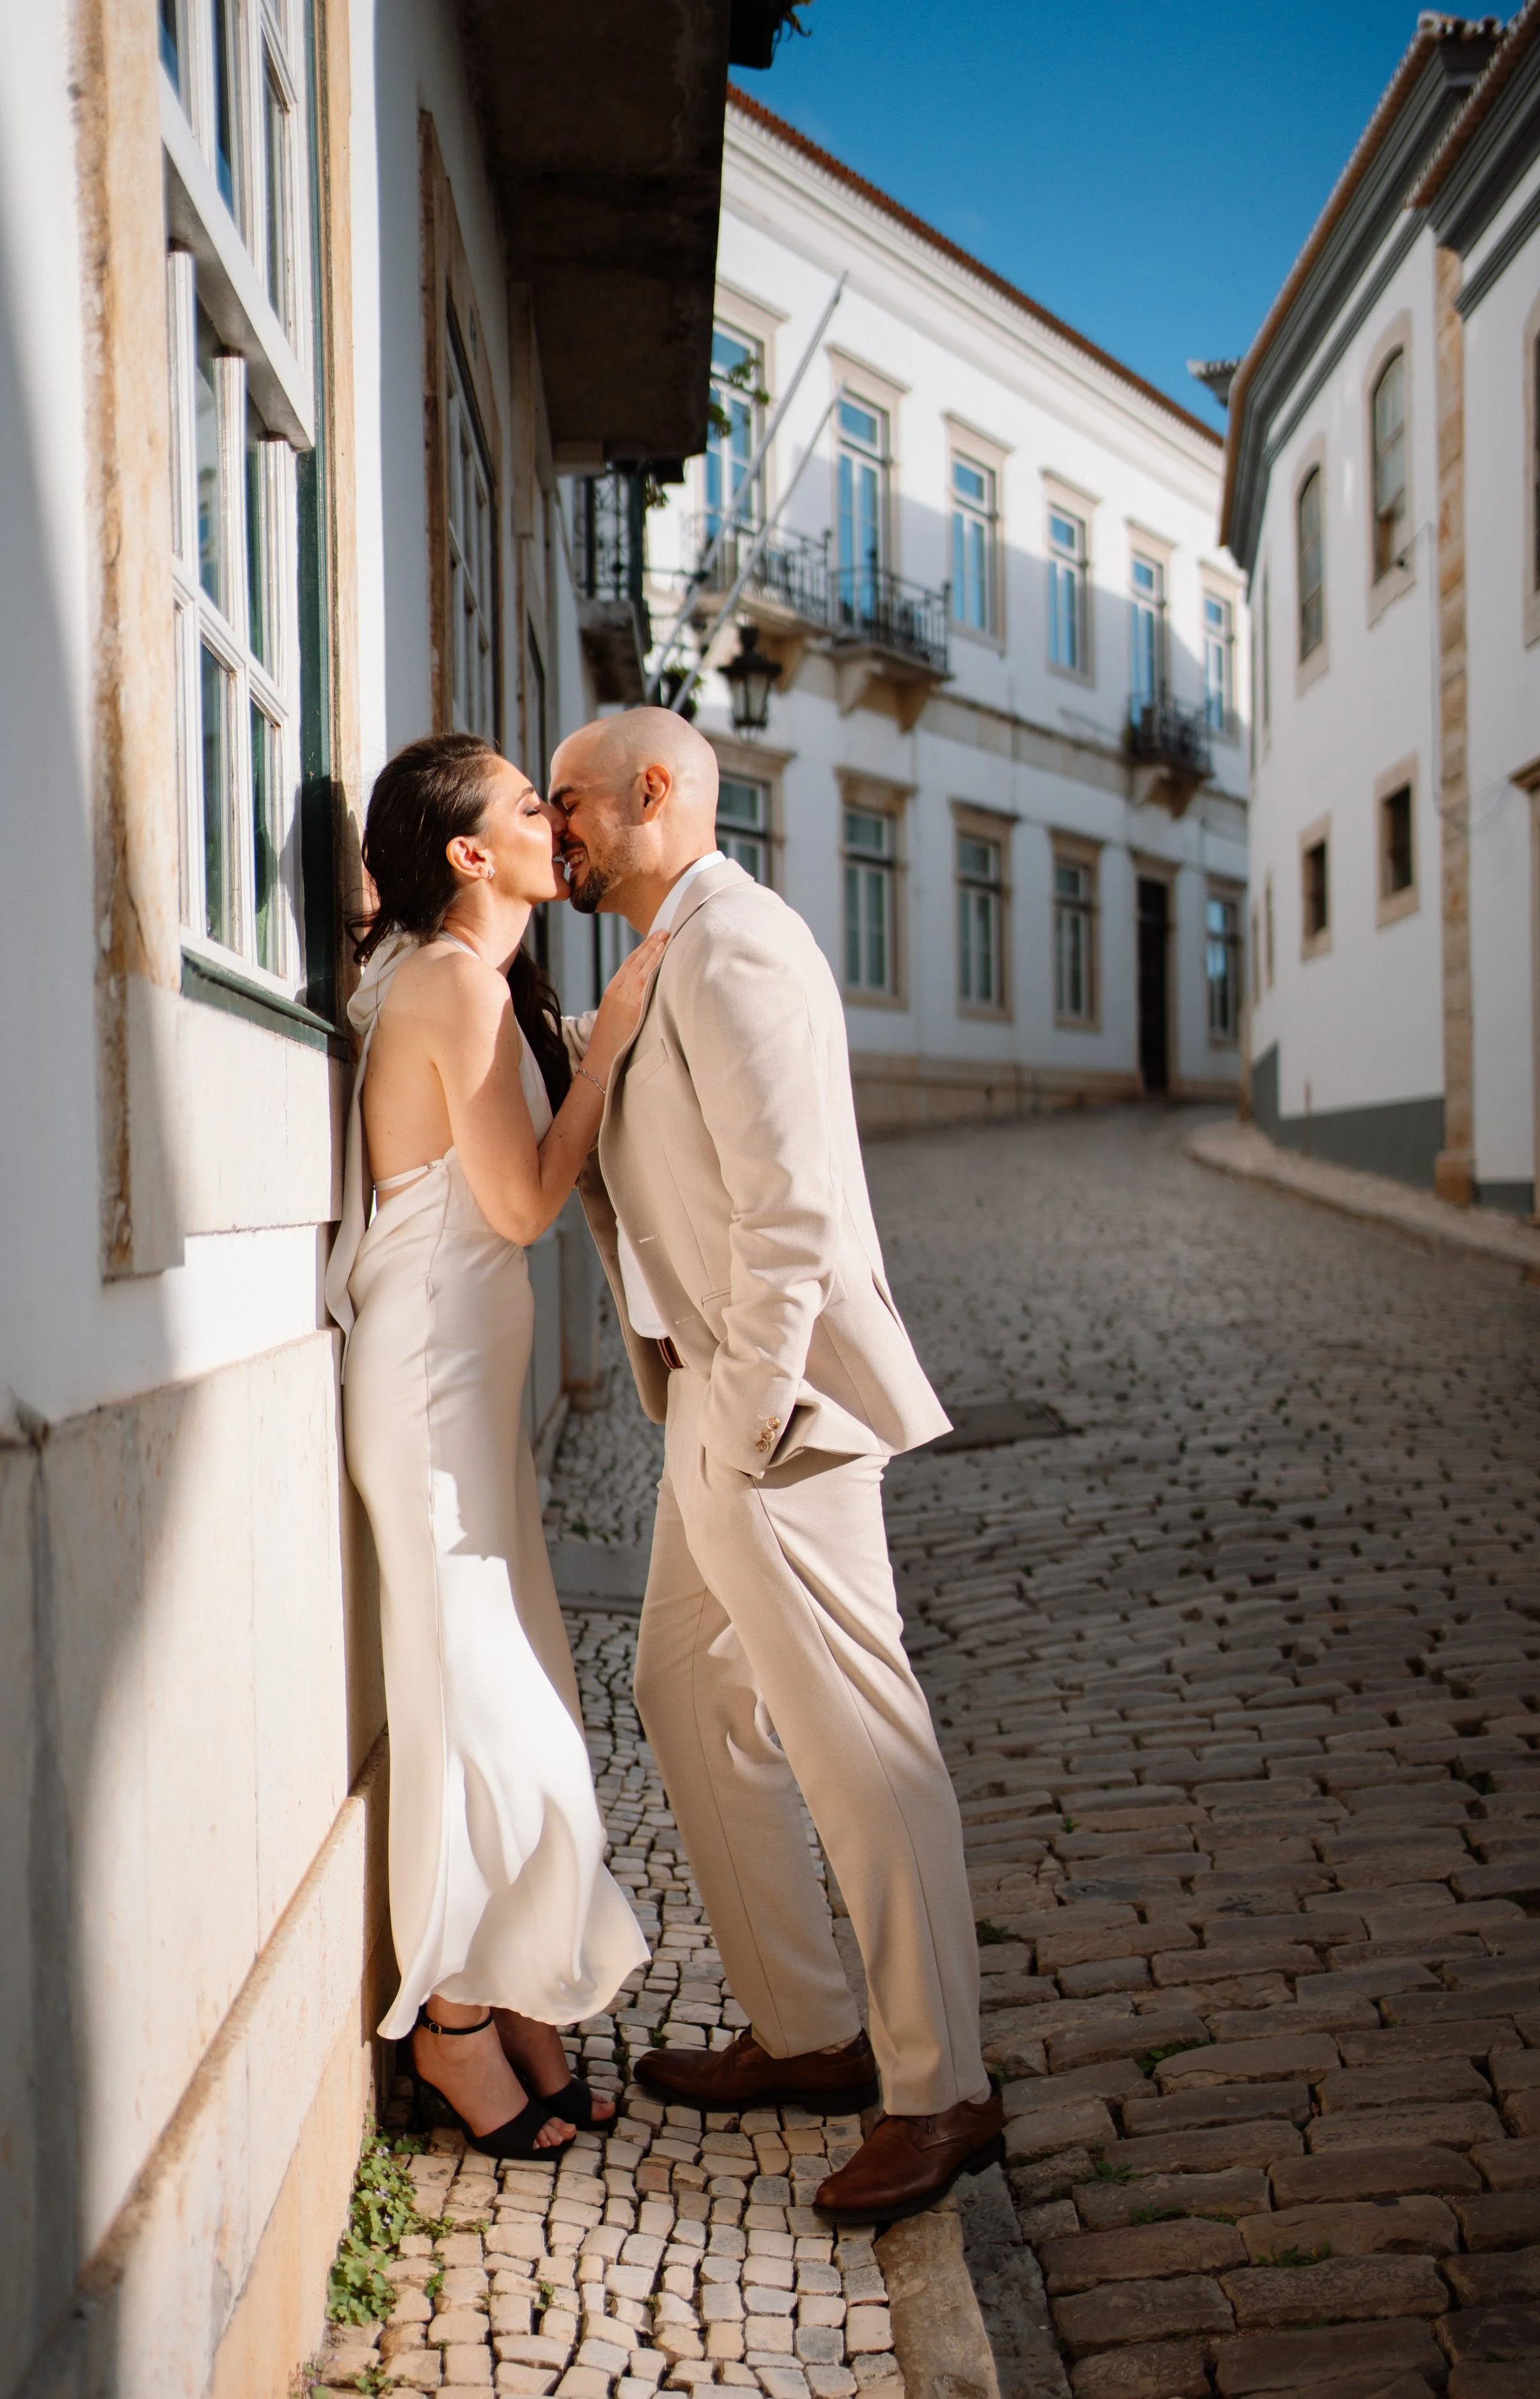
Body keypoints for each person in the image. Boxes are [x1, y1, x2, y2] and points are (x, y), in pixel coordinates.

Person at [546, 706, 1002, 2223]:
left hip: (778, 1419)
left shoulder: (738, 945)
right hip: (710, 1411)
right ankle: (809, 2028)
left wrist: (739, 1418)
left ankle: (940, 2093)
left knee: (862, 1745)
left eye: (573, 803)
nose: (560, 829)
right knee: (680, 1690)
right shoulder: (659, 950)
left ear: (653, 793)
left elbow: (794, 1212)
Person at [325, 730, 663, 2157]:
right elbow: (521, 1207)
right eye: (531, 807)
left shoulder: (461, 976)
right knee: (487, 1712)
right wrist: (613, 1040)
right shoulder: (456, 985)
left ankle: (516, 1990)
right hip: (428, 1394)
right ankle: (455, 2024)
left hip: (459, 1391)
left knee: (514, 1684)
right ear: (472, 855)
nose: (554, 820)